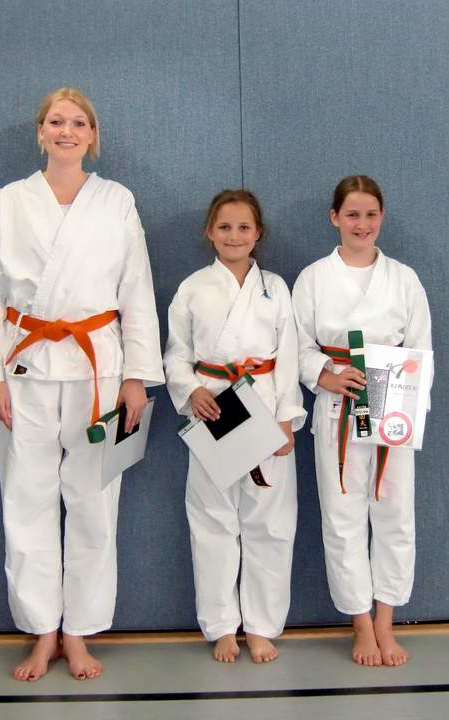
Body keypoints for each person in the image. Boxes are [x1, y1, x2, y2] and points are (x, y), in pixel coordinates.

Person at [0, 87, 164, 681]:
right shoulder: (10, 201)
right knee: (25, 499)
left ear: (93, 135)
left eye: (79, 123)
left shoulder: (116, 200)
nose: (67, 131)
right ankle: (42, 631)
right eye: (57, 121)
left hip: (98, 367)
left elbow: (137, 288)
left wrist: (137, 376)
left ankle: (78, 631)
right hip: (24, 365)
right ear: (41, 132)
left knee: (94, 503)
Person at [292, 175, 432, 667]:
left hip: (393, 401)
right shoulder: (313, 278)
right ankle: (361, 623)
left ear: (382, 218)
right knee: (342, 517)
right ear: (334, 218)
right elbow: (297, 345)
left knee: (395, 513)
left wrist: (407, 398)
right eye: (352, 214)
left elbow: (421, 347)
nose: (362, 224)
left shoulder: (404, 279)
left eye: (371, 214)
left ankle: (387, 620)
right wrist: (324, 375)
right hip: (339, 403)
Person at [164, 189, 306, 663]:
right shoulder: (192, 288)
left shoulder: (276, 288)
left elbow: (288, 357)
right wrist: (190, 391)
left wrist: (286, 419)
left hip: (264, 404)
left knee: (271, 522)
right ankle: (222, 625)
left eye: (244, 227)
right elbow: (176, 354)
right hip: (215, 409)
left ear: (258, 233)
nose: (234, 236)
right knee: (213, 521)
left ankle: (262, 625)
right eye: (224, 227)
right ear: (210, 232)